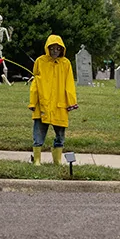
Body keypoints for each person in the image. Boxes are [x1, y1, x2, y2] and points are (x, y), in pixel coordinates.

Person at [27, 34, 78, 165]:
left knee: (60, 134)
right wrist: (33, 102)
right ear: (47, 48)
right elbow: (35, 84)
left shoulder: (66, 64)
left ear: (62, 49)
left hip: (59, 104)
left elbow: (69, 84)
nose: (55, 51)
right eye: (52, 48)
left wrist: (71, 102)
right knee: (38, 132)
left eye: (58, 48)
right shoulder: (40, 61)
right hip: (42, 103)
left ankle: (57, 160)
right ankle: (37, 159)